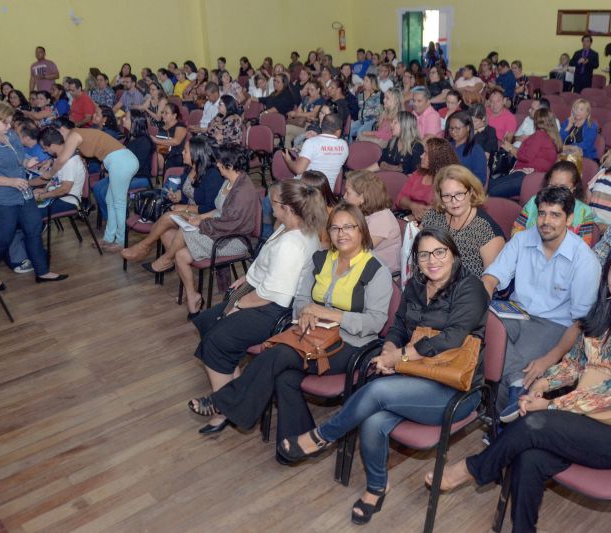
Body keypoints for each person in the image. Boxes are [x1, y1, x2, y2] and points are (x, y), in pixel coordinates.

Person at [438, 241, 611, 532]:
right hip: (588, 416)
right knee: (529, 456)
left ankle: (473, 469)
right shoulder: (605, 312)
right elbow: (573, 363)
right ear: (607, 278)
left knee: (534, 423)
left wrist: (551, 404)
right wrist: (542, 384)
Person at [278, 228, 488, 525]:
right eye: (424, 254)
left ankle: (322, 437)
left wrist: (400, 358)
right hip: (415, 377)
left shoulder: (470, 287)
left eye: (439, 252)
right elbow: (399, 327)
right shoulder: (416, 285)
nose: (432, 261)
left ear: (453, 254)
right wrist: (391, 348)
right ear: (416, 260)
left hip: (456, 389)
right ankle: (377, 487)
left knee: (376, 393)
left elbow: (452, 338)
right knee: (373, 418)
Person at [187, 203, 392, 450]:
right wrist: (306, 311)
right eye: (335, 228)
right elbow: (302, 298)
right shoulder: (321, 259)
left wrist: (328, 313)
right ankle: (296, 444)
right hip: (310, 335)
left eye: (349, 227)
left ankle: (223, 402)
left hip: (351, 345)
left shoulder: (376, 270)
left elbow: (375, 321)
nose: (341, 233)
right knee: (285, 377)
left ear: (362, 230)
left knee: (278, 354)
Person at [189, 179, 325, 433]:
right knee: (208, 321)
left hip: (275, 311)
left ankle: (222, 408)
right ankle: (233, 393)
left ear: (287, 208)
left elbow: (276, 295)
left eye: (274, 203)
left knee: (217, 339)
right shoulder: (290, 228)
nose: (269, 206)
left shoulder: (291, 244)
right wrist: (247, 279)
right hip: (264, 295)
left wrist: (238, 304)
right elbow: (265, 265)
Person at [484, 186, 602, 413]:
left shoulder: (584, 259)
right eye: (542, 213)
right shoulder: (522, 240)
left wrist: (549, 359)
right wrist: (483, 298)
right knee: (481, 331)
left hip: (554, 324)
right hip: (515, 311)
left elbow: (580, 323)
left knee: (509, 364)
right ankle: (514, 390)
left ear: (569, 219)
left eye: (555, 215)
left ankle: (500, 424)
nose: (546, 221)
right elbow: (491, 277)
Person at [0, 102, 67, 288]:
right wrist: (11, 181)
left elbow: (19, 157)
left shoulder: (11, 135)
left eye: (9, 122)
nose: (9, 126)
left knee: (34, 228)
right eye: (4, 122)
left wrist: (28, 162)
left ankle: (42, 271)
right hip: (0, 196)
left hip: (22, 191)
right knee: (3, 237)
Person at [157, 144, 261, 316]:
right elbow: (218, 210)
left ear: (229, 164)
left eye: (220, 162)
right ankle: (193, 297)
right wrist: (200, 218)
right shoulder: (229, 181)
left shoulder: (242, 191)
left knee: (183, 232)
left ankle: (164, 260)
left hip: (235, 239)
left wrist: (201, 224)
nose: (217, 164)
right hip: (221, 230)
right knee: (181, 255)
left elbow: (229, 224)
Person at [39, 118, 139, 251]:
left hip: (121, 162)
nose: (56, 138)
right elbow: (64, 157)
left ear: (62, 129)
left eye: (56, 133)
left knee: (118, 203)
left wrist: (49, 174)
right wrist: (51, 163)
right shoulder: (77, 134)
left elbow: (62, 159)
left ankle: (120, 242)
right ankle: (109, 238)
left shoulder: (73, 135)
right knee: (110, 199)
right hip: (121, 160)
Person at [121, 136, 224, 264]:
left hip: (204, 217)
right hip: (190, 213)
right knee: (165, 232)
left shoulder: (213, 175)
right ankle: (174, 262)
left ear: (196, 154)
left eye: (185, 151)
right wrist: (177, 195)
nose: (182, 153)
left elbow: (210, 207)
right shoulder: (189, 169)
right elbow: (187, 193)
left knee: (168, 217)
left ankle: (144, 247)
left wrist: (184, 208)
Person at [421, 165, 505, 277]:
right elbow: (420, 250)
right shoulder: (434, 216)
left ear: (470, 192)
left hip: (467, 291)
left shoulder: (487, 232)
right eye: (446, 196)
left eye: (459, 194)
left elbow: (490, 283)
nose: (454, 201)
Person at [513, 160, 597, 246]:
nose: (557, 192)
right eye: (552, 186)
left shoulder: (584, 212)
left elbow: (583, 246)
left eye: (563, 188)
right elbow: (517, 232)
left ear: (574, 187)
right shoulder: (534, 201)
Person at [92, 110, 154, 221]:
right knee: (97, 188)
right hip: (124, 175)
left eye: (127, 118)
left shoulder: (144, 142)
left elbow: (135, 167)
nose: (123, 119)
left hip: (140, 177)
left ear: (135, 122)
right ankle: (111, 219)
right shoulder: (130, 138)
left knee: (105, 191)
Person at [490, 108, 562, 198]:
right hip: (536, 180)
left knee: (490, 190)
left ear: (537, 121)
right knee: (491, 186)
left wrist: (511, 148)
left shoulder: (540, 135)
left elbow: (526, 156)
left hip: (526, 175)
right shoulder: (553, 139)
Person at [343, 170, 402, 273]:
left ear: (362, 197)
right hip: (367, 266)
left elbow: (359, 249)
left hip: (381, 273)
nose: (344, 196)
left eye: (348, 193)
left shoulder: (382, 219)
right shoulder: (364, 212)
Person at [396, 137, 459, 220]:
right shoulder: (418, 173)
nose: (421, 156)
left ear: (437, 159)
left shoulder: (447, 181)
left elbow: (441, 211)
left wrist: (411, 218)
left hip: (432, 223)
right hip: (409, 213)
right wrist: (413, 206)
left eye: (426, 153)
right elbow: (400, 198)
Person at [282, 113, 348, 190]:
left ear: (321, 126)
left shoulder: (311, 142)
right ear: (338, 131)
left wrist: (288, 160)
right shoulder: (344, 145)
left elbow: (298, 170)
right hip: (327, 193)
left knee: (270, 197)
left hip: (304, 191)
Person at [445, 111, 488, 184]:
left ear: (468, 128)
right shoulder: (447, 145)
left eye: (457, 128)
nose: (453, 131)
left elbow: (480, 180)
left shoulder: (476, 150)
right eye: (451, 128)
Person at [284, 80, 324, 148]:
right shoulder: (306, 98)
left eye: (312, 89)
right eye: (308, 89)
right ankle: (290, 154)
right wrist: (305, 114)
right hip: (301, 123)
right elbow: (299, 110)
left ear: (318, 90)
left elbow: (314, 114)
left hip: (311, 127)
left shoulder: (320, 100)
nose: (309, 91)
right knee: (287, 137)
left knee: (286, 128)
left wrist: (299, 114)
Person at [152, 102, 188, 171]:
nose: (163, 115)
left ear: (174, 116)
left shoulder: (180, 126)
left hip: (174, 156)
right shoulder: (161, 125)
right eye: (163, 112)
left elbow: (176, 141)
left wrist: (156, 141)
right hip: (160, 151)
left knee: (154, 155)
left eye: (166, 113)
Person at [350, 74, 382, 140]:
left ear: (372, 83)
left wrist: (366, 112)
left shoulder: (378, 95)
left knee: (360, 132)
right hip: (361, 120)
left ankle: (358, 149)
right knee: (349, 129)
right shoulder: (360, 94)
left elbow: (379, 111)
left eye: (366, 81)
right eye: (364, 80)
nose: (364, 82)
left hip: (372, 121)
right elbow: (358, 108)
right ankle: (349, 148)